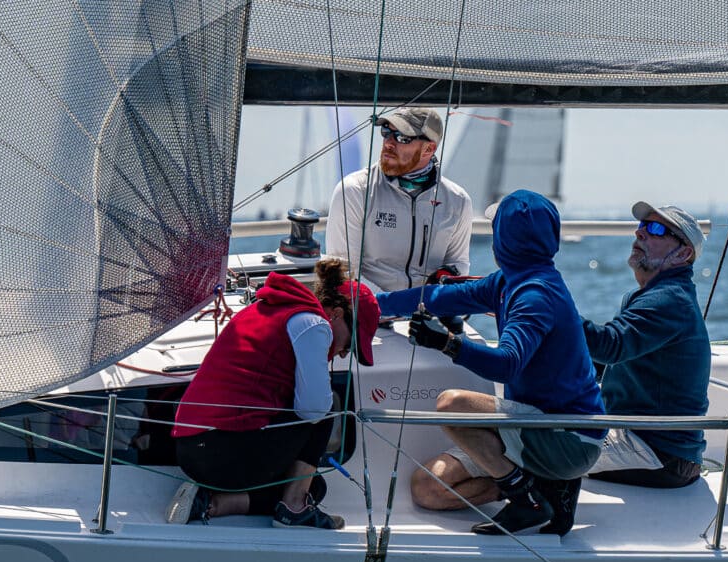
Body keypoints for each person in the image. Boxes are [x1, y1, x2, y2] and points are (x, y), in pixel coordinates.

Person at [375, 190, 606, 535]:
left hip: (568, 437)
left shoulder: (535, 295)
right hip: (536, 425)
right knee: (427, 488)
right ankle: (542, 489)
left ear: (503, 239)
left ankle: (526, 499)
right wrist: (372, 303)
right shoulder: (509, 281)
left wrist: (446, 343)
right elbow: (439, 297)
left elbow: (506, 364)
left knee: (452, 404)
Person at [167, 259, 380, 529]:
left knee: (315, 487)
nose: (342, 353)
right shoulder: (314, 325)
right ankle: (293, 508)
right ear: (336, 314)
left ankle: (210, 503)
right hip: (219, 453)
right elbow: (314, 409)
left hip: (192, 450)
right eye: (349, 345)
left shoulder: (270, 307)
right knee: (323, 411)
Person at [582, 202, 711, 488]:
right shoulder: (647, 296)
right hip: (640, 439)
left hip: (659, 453)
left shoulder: (669, 299)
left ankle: (530, 505)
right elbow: (607, 361)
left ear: (683, 253)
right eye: (641, 226)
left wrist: (552, 309)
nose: (640, 233)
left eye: (656, 229)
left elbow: (610, 345)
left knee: (540, 446)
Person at [325, 106, 473, 291]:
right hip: (371, 306)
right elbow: (344, 272)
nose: (389, 143)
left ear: (429, 149)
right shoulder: (354, 190)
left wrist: (443, 282)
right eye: (386, 132)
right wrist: (393, 303)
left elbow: (458, 264)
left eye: (402, 138)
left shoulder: (458, 200)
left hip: (429, 306)